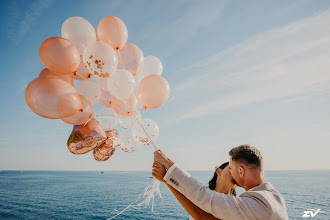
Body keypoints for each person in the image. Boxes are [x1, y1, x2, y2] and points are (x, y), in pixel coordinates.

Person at [153, 144, 288, 220]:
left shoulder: (258, 205)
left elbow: (204, 206)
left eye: (232, 168)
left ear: (241, 171)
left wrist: (168, 164)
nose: (231, 173)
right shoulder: (275, 198)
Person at [153, 162, 237, 219]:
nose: (236, 173)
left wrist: (166, 179)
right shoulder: (202, 194)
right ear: (219, 171)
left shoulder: (235, 204)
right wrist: (166, 177)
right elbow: (184, 188)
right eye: (231, 168)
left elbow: (201, 216)